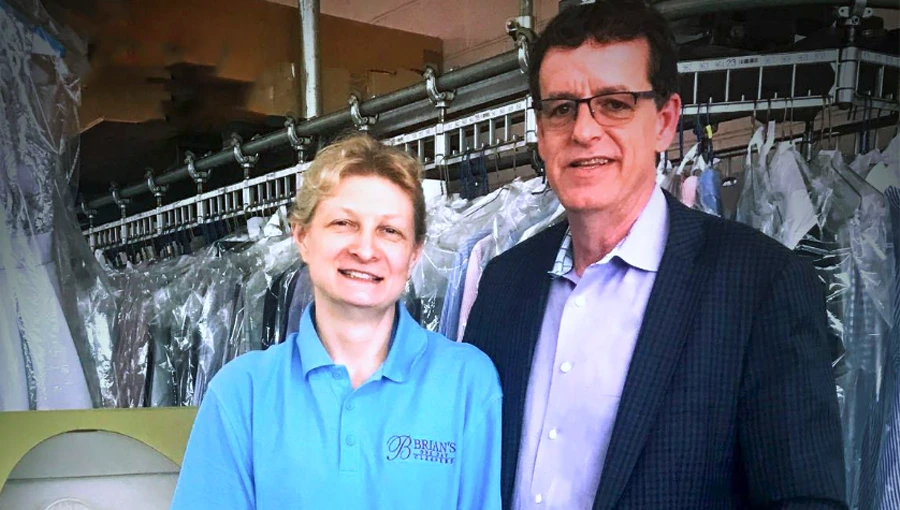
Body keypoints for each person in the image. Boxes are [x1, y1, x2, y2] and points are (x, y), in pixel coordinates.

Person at [462, 2, 846, 509]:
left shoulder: (762, 285)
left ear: (665, 121)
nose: (583, 130)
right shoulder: (504, 281)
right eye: (561, 108)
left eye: (615, 104)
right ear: (541, 129)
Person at [172, 133, 502, 509]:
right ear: (302, 237)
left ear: (414, 255)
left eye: (389, 231)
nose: (364, 249)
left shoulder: (468, 382)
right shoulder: (240, 393)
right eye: (343, 223)